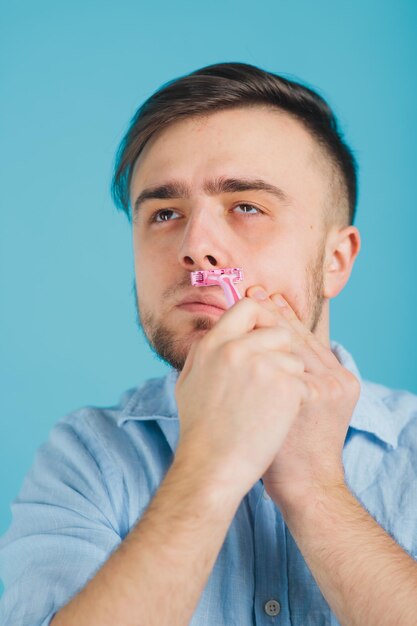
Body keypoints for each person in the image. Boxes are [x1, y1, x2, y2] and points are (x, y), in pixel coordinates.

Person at [1, 62, 416, 626]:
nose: (196, 247)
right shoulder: (87, 457)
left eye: (246, 206)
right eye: (165, 213)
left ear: (335, 260)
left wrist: (314, 488)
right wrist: (209, 466)